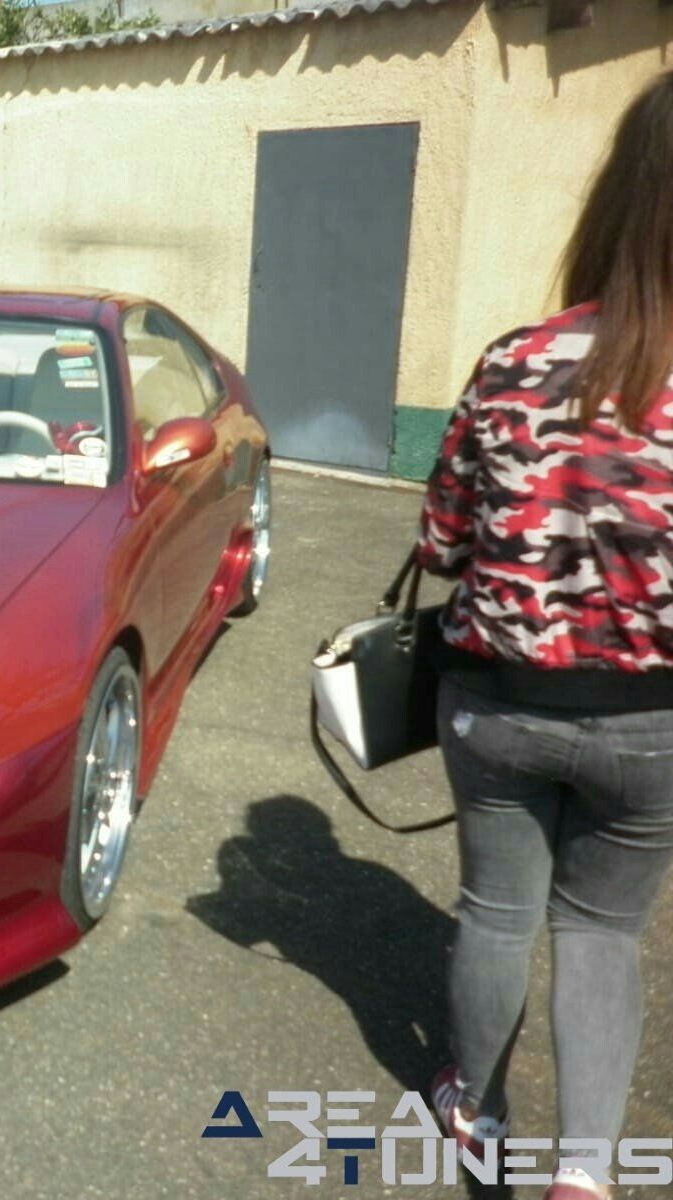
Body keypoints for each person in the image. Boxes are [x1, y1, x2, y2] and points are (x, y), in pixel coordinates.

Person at [416, 72, 673, 1200]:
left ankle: (471, 1114)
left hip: (499, 706)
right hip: (653, 731)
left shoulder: (513, 362)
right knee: (602, 934)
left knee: (494, 910)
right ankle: (582, 1175)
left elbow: (438, 545)